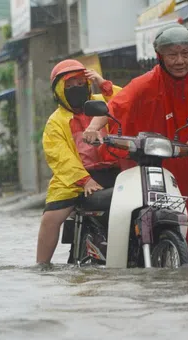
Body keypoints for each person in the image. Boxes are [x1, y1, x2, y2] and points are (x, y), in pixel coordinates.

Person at [83, 24, 188, 258]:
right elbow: (117, 105)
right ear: (160, 57)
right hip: (163, 163)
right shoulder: (147, 82)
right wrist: (94, 127)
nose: (179, 60)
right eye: (172, 55)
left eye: (185, 54)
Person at [36, 59, 122, 265]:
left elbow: (126, 101)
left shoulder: (102, 101)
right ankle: (42, 265)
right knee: (50, 219)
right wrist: (85, 181)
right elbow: (60, 157)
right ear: (59, 90)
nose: (77, 89)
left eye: (81, 83)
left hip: (115, 168)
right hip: (76, 178)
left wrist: (104, 83)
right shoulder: (55, 122)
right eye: (70, 85)